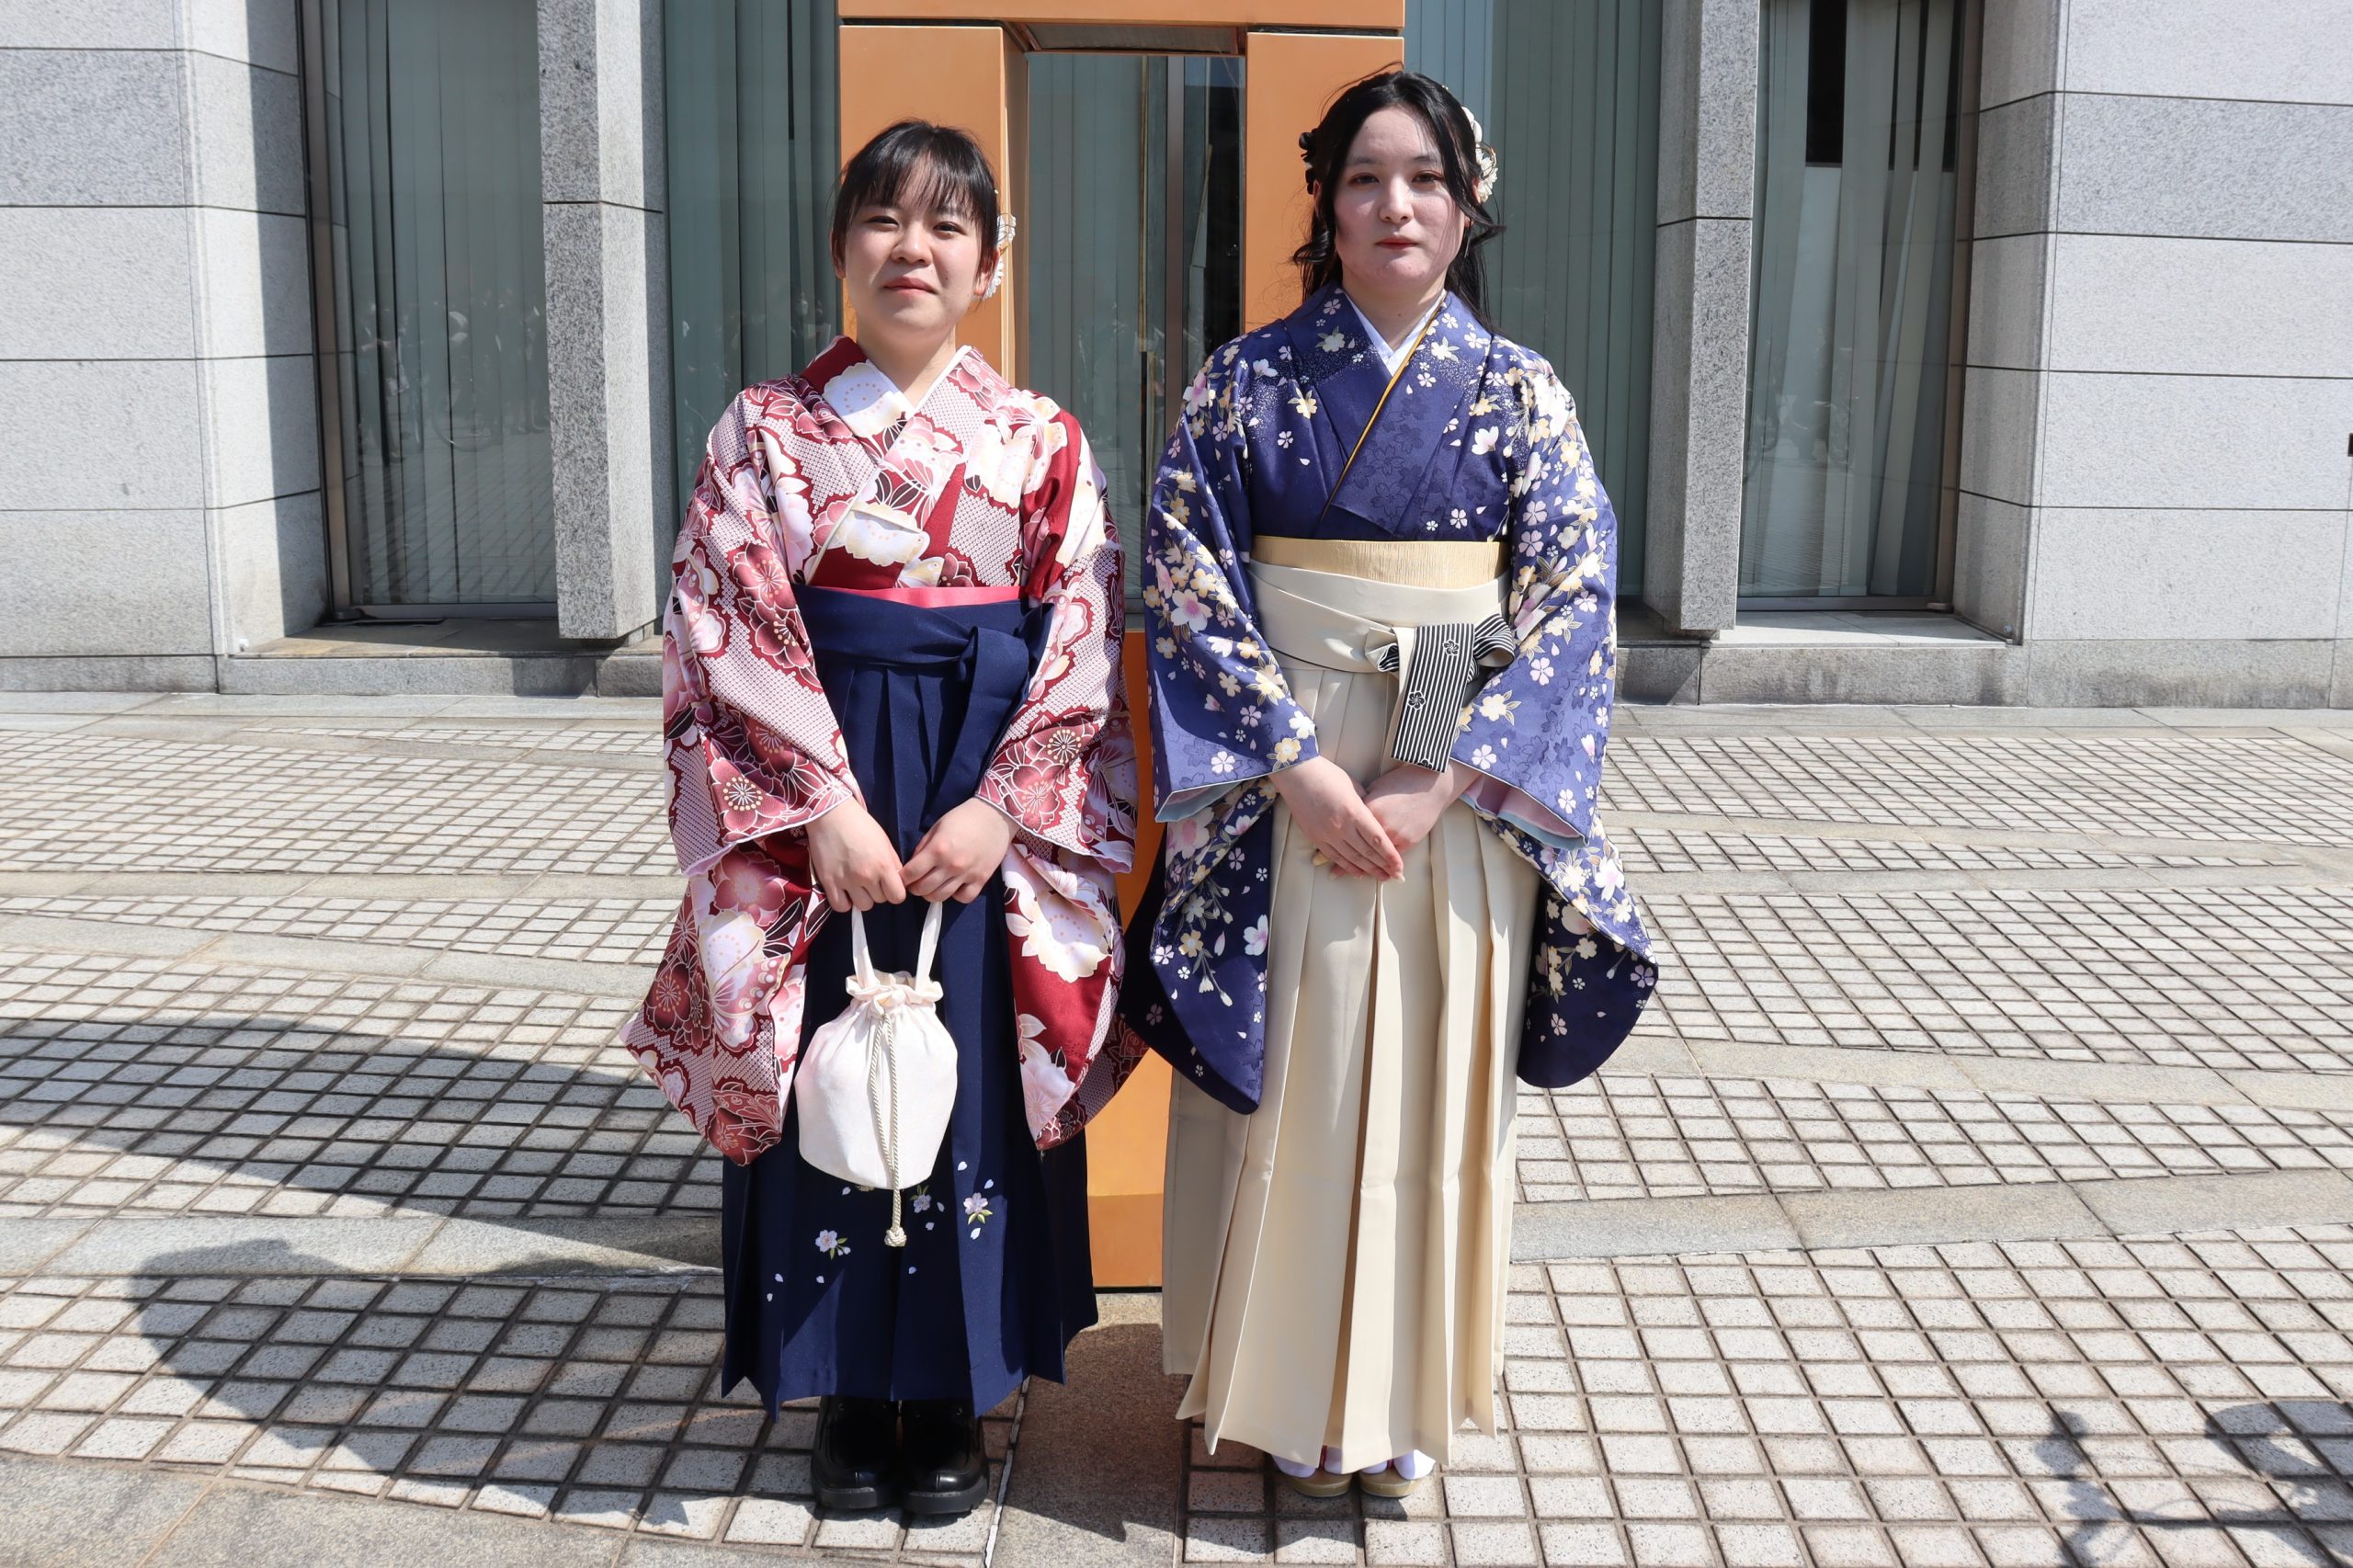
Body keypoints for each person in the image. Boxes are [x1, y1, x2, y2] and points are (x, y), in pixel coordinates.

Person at [1121, 70, 1657, 1498]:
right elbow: (1185, 575)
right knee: (1299, 1077)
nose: (1396, 205)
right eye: (1366, 178)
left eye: (1426, 179)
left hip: (1454, 793)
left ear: (1468, 207)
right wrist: (1292, 764)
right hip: (1287, 773)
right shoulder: (1246, 380)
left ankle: (1404, 1385)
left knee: (1429, 1077)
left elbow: (1574, 599)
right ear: (1327, 205)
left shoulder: (1522, 392)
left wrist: (1445, 778)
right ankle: (1286, 1388)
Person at [622, 119, 1139, 1517]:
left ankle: (951, 1389)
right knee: (823, 1068)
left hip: (981, 796)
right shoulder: (764, 431)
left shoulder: (1038, 439)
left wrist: (1004, 808)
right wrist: (820, 806)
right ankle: (847, 1386)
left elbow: (1082, 636)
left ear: (991, 261)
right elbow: (721, 627)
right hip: (821, 784)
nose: (915, 250)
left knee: (971, 1078)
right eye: (885, 221)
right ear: (842, 245)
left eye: (947, 226)